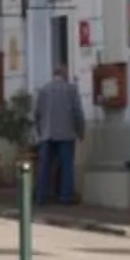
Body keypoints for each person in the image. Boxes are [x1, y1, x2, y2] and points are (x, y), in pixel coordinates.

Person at [32, 66, 86, 206]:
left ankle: (41, 196)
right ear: (64, 74)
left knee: (44, 166)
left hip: (47, 134)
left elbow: (37, 113)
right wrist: (80, 131)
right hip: (66, 133)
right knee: (67, 165)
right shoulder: (70, 89)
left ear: (53, 74)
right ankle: (65, 196)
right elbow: (77, 113)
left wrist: (40, 131)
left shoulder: (44, 90)